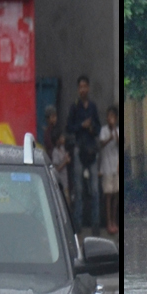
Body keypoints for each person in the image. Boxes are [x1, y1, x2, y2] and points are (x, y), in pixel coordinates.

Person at [64, 75, 101, 231]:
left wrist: (92, 128)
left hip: (92, 150)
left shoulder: (92, 106)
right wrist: (81, 125)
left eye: (85, 86)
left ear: (89, 88)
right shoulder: (74, 106)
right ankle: (77, 225)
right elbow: (68, 128)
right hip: (79, 149)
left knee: (94, 189)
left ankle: (96, 224)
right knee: (78, 189)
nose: (83, 89)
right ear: (78, 89)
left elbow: (99, 128)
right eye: (80, 87)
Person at [98, 106, 121, 237]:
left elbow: (118, 144)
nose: (109, 118)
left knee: (116, 194)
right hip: (106, 167)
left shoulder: (117, 130)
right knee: (108, 195)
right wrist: (109, 138)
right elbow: (101, 144)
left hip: (115, 166)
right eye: (108, 116)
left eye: (112, 116)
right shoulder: (103, 130)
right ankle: (108, 222)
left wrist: (115, 133)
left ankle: (114, 220)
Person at [43, 104, 72, 211]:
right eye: (52, 116)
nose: (54, 119)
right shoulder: (48, 133)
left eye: (55, 116)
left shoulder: (56, 130)